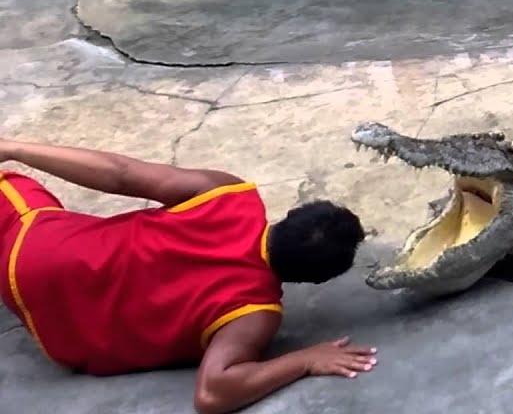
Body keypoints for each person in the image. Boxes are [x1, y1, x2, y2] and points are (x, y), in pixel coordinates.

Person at [0, 138, 378, 414]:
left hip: (33, 248)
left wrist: (15, 147)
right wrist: (306, 359)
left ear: (291, 215)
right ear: (312, 281)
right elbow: (213, 392)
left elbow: (121, 174)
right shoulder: (255, 313)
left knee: (12, 186)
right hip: (59, 335)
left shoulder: (229, 195)